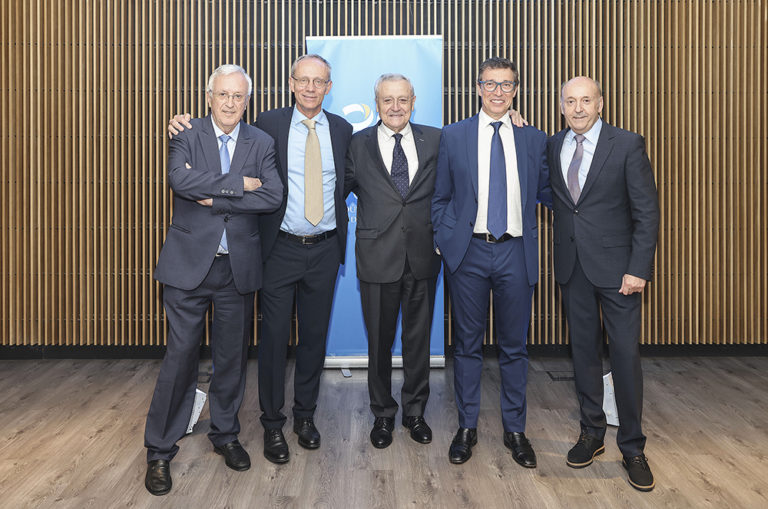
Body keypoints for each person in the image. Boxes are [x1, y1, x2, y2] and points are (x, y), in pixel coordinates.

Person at [145, 64, 282, 496]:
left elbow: (273, 195)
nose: (229, 103)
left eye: (238, 96)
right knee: (180, 357)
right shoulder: (186, 133)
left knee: (232, 359)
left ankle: (225, 434)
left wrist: (215, 195)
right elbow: (179, 179)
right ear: (209, 97)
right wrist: (240, 184)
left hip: (236, 269)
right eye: (222, 94)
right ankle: (159, 449)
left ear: (247, 101)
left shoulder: (261, 141)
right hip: (187, 267)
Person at [431, 57, 551, 466]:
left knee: (514, 347)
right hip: (469, 253)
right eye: (490, 83)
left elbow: (551, 190)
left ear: (516, 90)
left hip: (516, 250)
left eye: (506, 84)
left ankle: (515, 430)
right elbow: (440, 196)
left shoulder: (533, 138)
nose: (498, 92)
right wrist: (444, 240)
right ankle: (467, 427)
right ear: (478, 87)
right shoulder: (454, 135)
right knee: (467, 346)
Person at [547, 76, 660, 491]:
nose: (578, 108)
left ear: (600, 104)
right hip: (573, 268)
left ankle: (632, 447)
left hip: (619, 273)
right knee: (583, 355)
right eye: (570, 101)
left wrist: (638, 268)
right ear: (561, 106)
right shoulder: (553, 145)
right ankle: (592, 433)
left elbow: (647, 212)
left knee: (625, 356)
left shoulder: (627, 144)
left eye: (586, 100)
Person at [344, 74, 441, 449]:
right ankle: (382, 414)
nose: (395, 107)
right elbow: (335, 188)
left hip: (423, 256)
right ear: (377, 103)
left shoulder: (436, 140)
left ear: (413, 101)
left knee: (418, 342)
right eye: (388, 100)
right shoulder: (357, 144)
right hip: (376, 257)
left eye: (402, 99)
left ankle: (415, 412)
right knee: (379, 343)